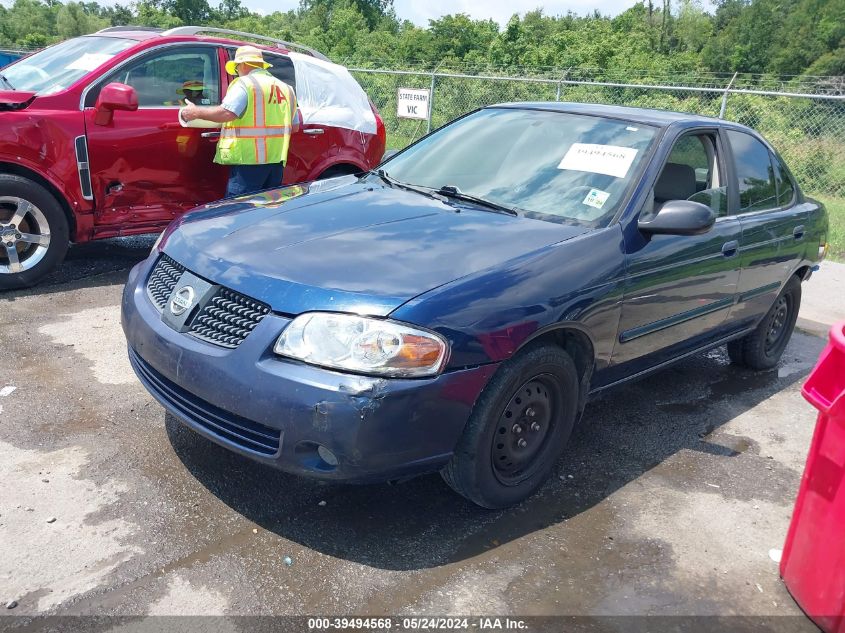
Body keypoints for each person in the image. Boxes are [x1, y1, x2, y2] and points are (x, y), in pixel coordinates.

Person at [180, 45, 299, 197]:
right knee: (267, 208)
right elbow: (294, 127)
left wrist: (196, 112)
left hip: (248, 161)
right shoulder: (286, 88)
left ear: (242, 64)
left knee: (239, 211)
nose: (237, 72)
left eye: (236, 68)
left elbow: (227, 113)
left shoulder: (245, 84)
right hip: (276, 163)